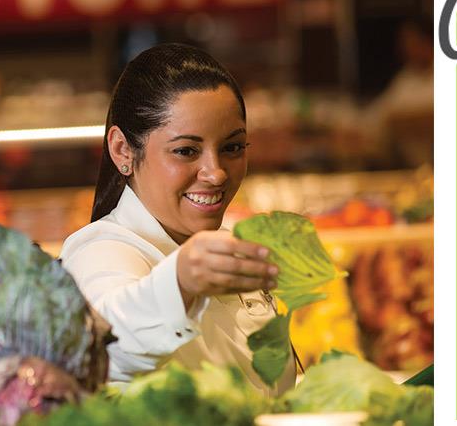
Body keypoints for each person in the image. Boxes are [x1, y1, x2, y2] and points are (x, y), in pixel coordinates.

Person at [59, 43, 296, 391]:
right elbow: (107, 343)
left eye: (232, 147)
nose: (215, 173)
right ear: (122, 150)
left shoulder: (226, 246)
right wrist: (180, 282)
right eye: (186, 151)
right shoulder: (100, 251)